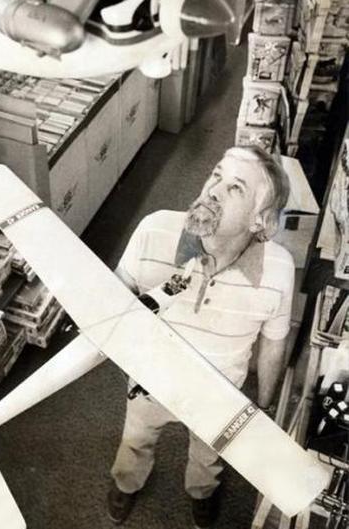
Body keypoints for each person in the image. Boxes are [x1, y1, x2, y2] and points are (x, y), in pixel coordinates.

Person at [105, 145, 293, 528]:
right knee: (135, 439)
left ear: (260, 221)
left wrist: (266, 405)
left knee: (208, 455)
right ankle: (125, 484)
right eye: (216, 175)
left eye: (236, 188)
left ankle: (202, 493)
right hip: (150, 383)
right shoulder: (154, 228)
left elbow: (274, 344)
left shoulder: (278, 271)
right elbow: (115, 294)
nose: (212, 191)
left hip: (219, 393)